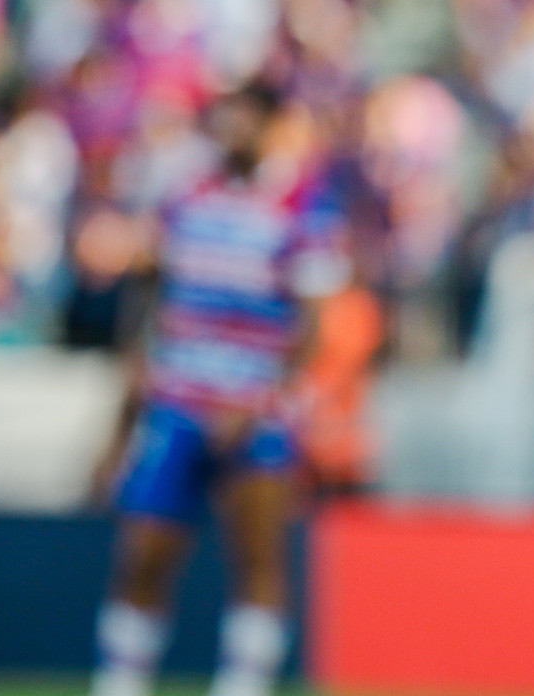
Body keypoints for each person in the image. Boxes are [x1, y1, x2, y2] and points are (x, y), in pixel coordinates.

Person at [90, 82, 349, 696]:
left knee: (256, 556)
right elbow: (151, 299)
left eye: (244, 122)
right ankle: (120, 682)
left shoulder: (302, 203)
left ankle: (244, 685)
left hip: (253, 412)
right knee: (145, 551)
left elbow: (313, 327)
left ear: (271, 127)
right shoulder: (185, 196)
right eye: (224, 121)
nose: (230, 134)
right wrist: (130, 401)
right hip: (177, 401)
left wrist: (258, 400)